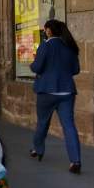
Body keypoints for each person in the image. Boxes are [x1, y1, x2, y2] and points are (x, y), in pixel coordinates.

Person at [29, 19, 82, 174]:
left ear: (48, 30)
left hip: (46, 91)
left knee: (42, 123)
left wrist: (33, 63)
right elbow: (75, 70)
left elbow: (37, 67)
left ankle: (38, 149)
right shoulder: (69, 46)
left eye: (45, 29)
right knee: (69, 126)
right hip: (67, 91)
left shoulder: (45, 45)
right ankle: (75, 160)